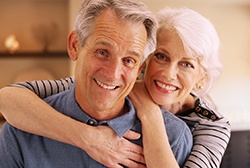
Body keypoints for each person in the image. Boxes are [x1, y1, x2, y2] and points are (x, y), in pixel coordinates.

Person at [0, 6, 231, 168]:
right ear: (146, 62)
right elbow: (8, 98)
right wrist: (88, 137)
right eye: (161, 56)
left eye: (187, 64)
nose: (168, 74)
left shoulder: (209, 127)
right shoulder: (101, 83)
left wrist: (150, 113)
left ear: (201, 78)